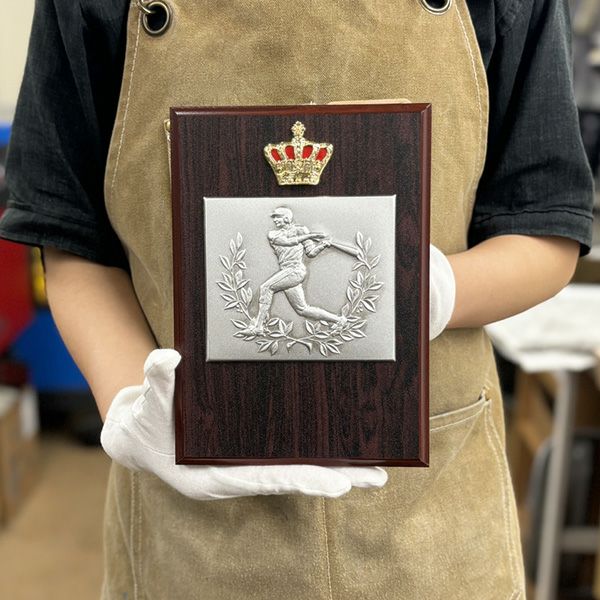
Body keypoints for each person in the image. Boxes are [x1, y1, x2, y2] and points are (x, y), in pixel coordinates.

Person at [0, 0, 594, 598]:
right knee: (287, 301)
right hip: (191, 530)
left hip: (432, 515)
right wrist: (131, 397)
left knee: (292, 301)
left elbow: (545, 227)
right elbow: (72, 236)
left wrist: (436, 289)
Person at [240, 206, 346, 336]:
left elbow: (311, 253)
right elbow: (287, 242)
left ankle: (259, 327)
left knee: (266, 288)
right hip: (287, 272)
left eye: (277, 217)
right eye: (274, 218)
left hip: (295, 270)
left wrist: (323, 245)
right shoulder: (273, 234)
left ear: (286, 218)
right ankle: (339, 320)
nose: (275, 220)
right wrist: (312, 235)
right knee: (302, 310)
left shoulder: (301, 230)